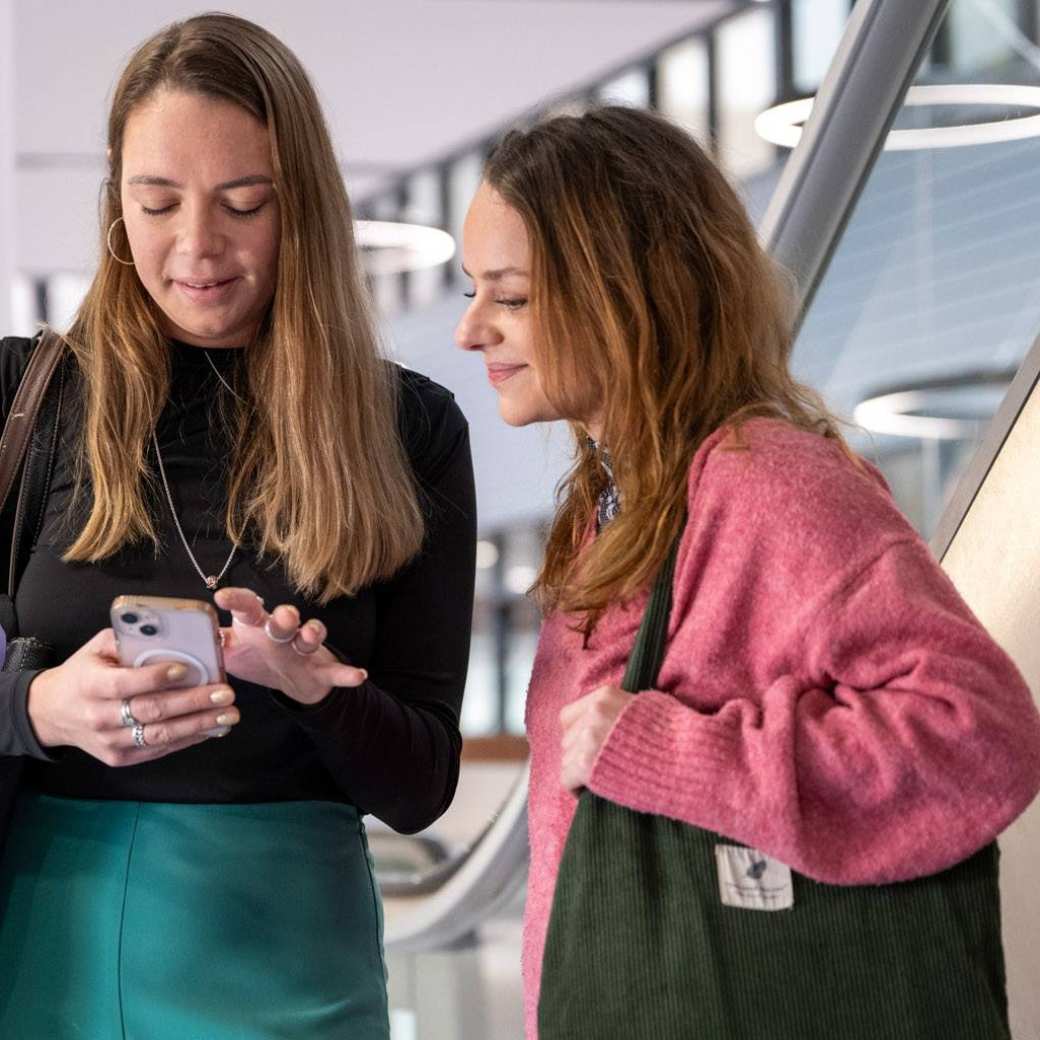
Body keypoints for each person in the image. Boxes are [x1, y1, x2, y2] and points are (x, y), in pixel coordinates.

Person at [454, 105, 1040, 1039]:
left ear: (624, 293)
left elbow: (979, 732)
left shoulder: (767, 483)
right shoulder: (605, 511)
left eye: (510, 296)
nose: (469, 329)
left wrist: (676, 753)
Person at [0, 13, 476, 1039]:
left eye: (243, 202)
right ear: (114, 207)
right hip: (46, 942)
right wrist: (35, 705)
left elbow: (422, 781)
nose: (196, 246)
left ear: (298, 204)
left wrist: (319, 691)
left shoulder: (409, 427)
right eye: (155, 202)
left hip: (291, 954)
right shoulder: (21, 402)